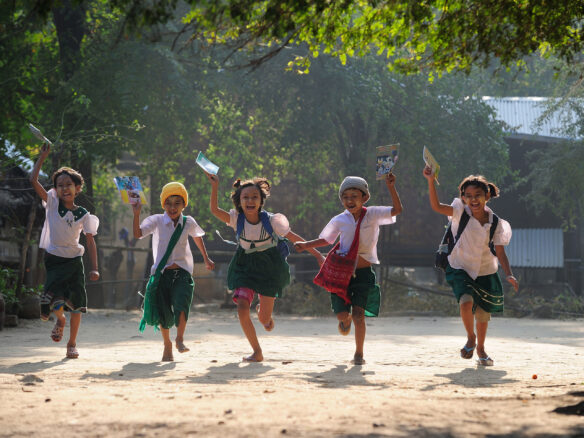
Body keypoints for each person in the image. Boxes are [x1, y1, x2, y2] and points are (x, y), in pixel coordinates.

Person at [206, 173, 324, 362]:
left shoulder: (273, 221)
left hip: (270, 267)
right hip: (245, 266)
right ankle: (257, 351)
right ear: (240, 201)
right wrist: (215, 186)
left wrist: (317, 254)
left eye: (254, 197)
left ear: (261, 201)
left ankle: (265, 315)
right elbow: (214, 210)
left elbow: (295, 238)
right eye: (245, 197)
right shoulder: (236, 219)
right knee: (242, 308)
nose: (250, 200)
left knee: (263, 320)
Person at [295, 173, 402, 365]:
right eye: (345, 197)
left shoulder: (373, 214)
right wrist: (306, 244)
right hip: (341, 276)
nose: (349, 200)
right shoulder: (339, 220)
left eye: (354, 196)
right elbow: (327, 240)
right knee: (344, 314)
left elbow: (397, 209)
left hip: (363, 274)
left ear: (364, 198)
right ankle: (344, 320)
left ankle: (359, 354)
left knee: (359, 315)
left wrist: (391, 187)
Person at [423, 166, 519, 366]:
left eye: (478, 195)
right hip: (459, 266)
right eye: (468, 196)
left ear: (487, 196)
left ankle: (481, 349)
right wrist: (431, 181)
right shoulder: (459, 211)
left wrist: (509, 274)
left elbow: (500, 252)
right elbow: (436, 206)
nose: (473, 199)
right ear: (463, 198)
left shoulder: (497, 223)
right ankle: (470, 338)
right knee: (465, 302)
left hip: (485, 270)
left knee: (483, 313)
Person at [30, 143, 100, 359]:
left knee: (77, 303)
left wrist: (95, 268)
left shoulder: (84, 214)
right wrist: (43, 156)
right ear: (55, 189)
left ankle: (71, 344)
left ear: (77, 188)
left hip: (74, 263)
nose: (64, 188)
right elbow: (32, 180)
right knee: (51, 300)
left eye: (69, 184)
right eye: (60, 185)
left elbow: (90, 242)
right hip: (53, 260)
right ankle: (60, 319)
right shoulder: (51, 202)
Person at [133, 182, 214, 361]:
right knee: (163, 311)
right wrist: (137, 213)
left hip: (183, 272)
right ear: (163, 205)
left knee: (182, 304)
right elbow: (138, 234)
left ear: (184, 204)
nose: (172, 207)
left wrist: (206, 259)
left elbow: (198, 238)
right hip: (162, 273)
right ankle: (167, 344)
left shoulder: (188, 222)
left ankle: (179, 339)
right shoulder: (156, 221)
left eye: (177, 203)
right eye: (168, 203)